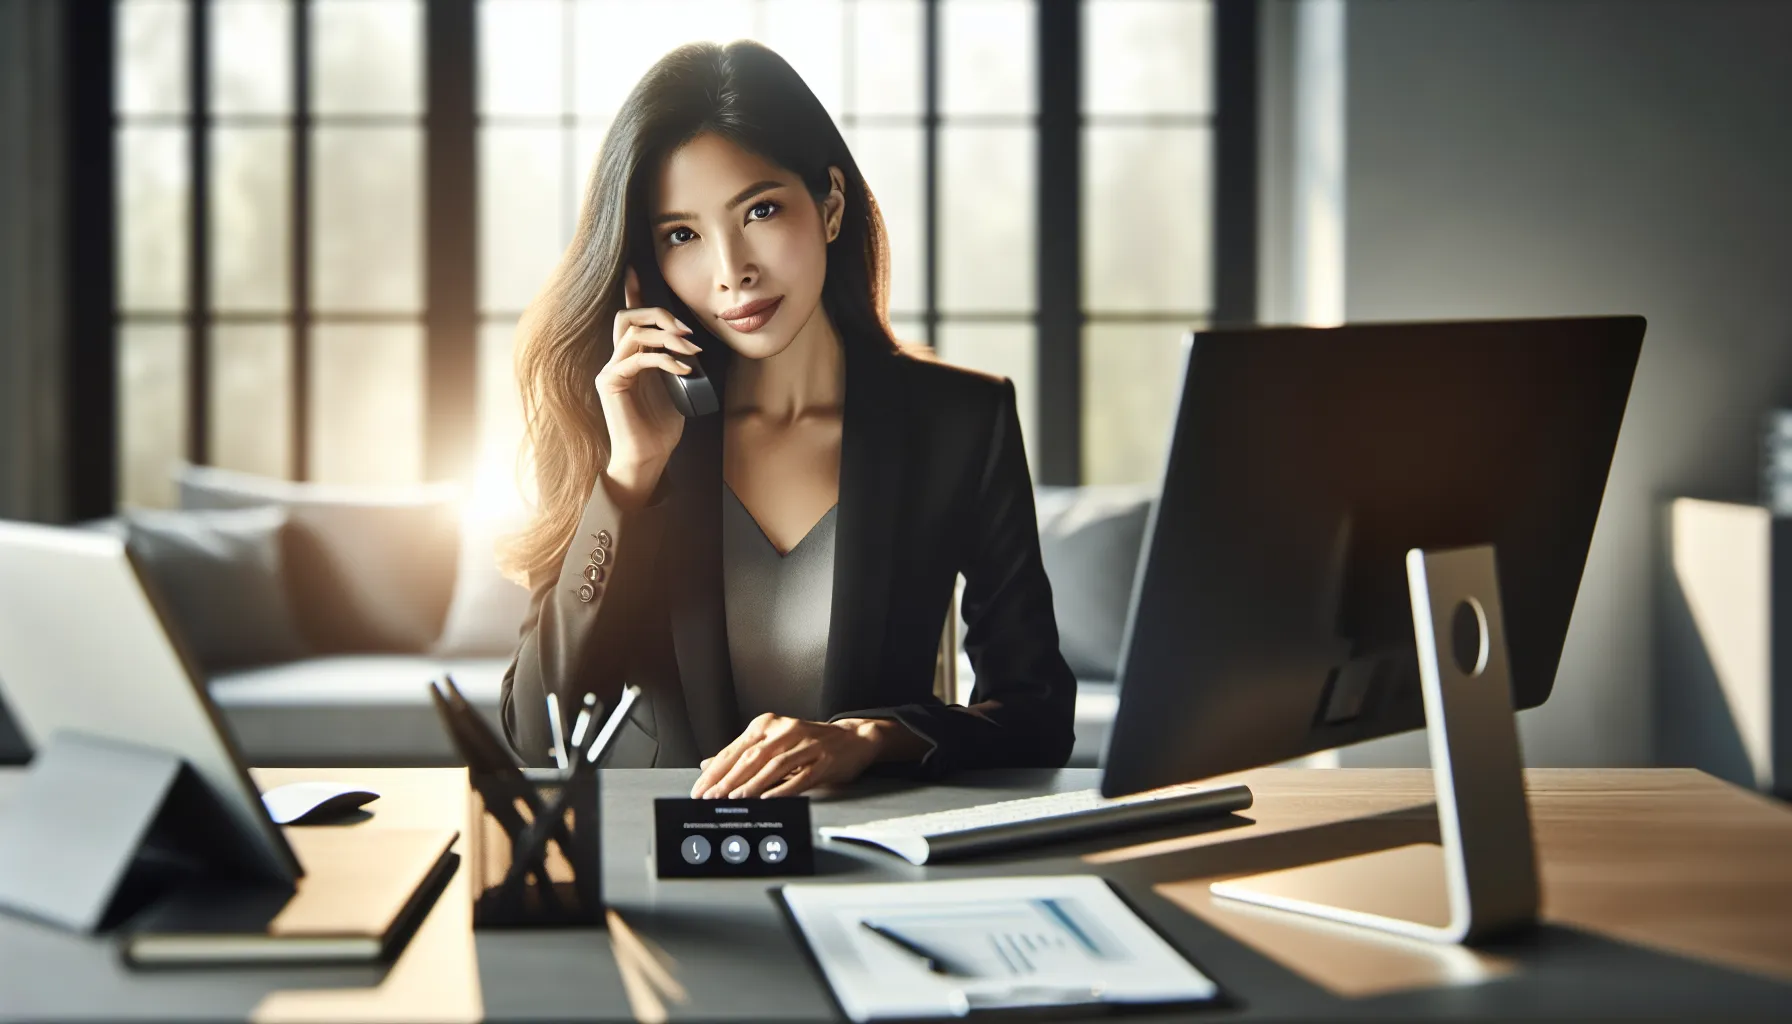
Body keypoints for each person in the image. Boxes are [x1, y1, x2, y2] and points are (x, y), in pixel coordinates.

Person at [498, 40, 1074, 799]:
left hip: (866, 844)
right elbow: (534, 735)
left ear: (830, 205)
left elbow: (1038, 715)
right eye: (682, 235)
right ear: (647, 264)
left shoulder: (961, 422)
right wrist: (629, 478)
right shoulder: (617, 425)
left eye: (760, 210)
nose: (731, 270)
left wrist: (872, 736)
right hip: (665, 849)